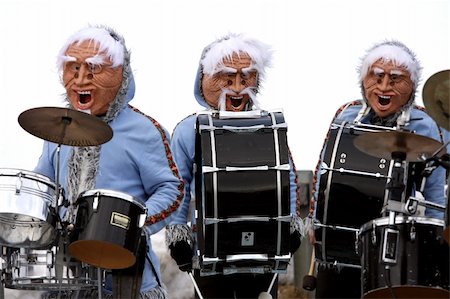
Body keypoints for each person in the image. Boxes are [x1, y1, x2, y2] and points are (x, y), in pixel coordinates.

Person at [34, 25, 184, 298]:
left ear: (121, 74)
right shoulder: (56, 127)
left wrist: (133, 224)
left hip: (126, 278)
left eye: (93, 70)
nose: (80, 80)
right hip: (66, 278)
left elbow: (171, 190)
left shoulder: (144, 130)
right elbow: (41, 187)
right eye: (73, 69)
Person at [165, 33, 303, 299]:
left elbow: (287, 178)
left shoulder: (267, 126)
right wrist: (178, 232)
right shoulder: (189, 129)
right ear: (205, 79)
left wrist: (292, 224)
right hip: (209, 250)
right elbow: (177, 185)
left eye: (245, 78)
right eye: (227, 78)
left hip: (263, 249)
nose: (237, 88)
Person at [307, 40, 448, 298]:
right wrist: (316, 221)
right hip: (340, 246)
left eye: (396, 79)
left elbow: (436, 196)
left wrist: (434, 244)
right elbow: (324, 173)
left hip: (398, 248)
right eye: (377, 76)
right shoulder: (346, 116)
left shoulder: (427, 125)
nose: (384, 87)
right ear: (364, 81)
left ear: (412, 86)